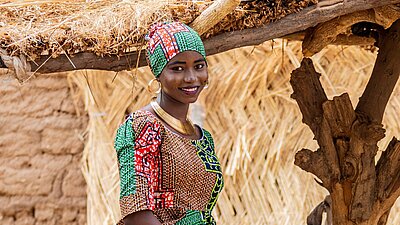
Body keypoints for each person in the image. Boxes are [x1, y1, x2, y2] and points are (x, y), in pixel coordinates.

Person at [114, 21, 224, 225]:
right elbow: (136, 213)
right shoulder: (142, 126)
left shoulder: (203, 138)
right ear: (158, 74)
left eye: (199, 66)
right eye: (178, 68)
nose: (191, 78)